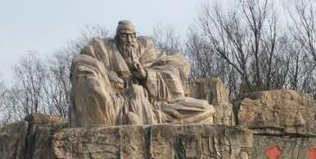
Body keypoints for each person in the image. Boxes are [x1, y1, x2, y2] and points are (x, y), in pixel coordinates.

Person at [69, 20, 215, 127]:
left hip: (155, 108)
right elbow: (84, 63)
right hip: (117, 106)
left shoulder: (145, 48)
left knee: (206, 109)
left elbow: (169, 70)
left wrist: (145, 75)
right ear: (117, 37)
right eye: (125, 36)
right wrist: (109, 79)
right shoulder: (102, 48)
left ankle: (153, 118)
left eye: (133, 36)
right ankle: (134, 117)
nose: (130, 41)